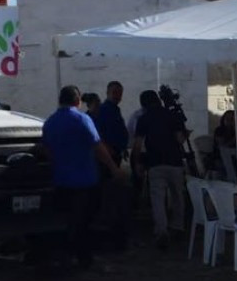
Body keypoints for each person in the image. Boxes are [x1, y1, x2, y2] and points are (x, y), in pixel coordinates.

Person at [42, 85, 123, 270]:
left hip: (61, 180)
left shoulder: (50, 122)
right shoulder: (82, 119)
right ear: (78, 102)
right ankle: (82, 257)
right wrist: (113, 167)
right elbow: (98, 146)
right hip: (84, 180)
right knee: (85, 220)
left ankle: (65, 254)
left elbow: (47, 149)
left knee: (66, 219)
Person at [132, 90, 187, 248]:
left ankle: (161, 230)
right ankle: (178, 226)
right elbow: (180, 139)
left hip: (155, 162)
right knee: (178, 195)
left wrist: (138, 162)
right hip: (175, 161)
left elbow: (137, 144)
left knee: (157, 199)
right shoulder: (172, 115)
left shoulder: (143, 119)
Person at [96, 81, 131, 248]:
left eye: (120, 93)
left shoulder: (115, 110)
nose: (118, 96)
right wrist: (109, 150)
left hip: (116, 154)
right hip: (108, 158)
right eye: (115, 92)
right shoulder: (105, 110)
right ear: (108, 92)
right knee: (110, 195)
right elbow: (100, 135)